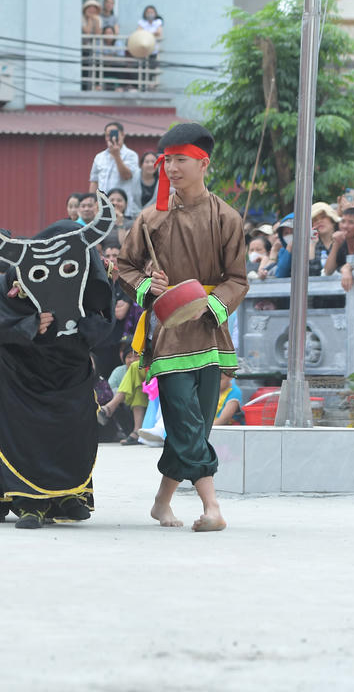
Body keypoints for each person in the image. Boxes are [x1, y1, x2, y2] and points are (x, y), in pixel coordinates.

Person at [0, 204, 116, 526]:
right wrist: (30, 325)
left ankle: (69, 498)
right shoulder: (15, 281)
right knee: (21, 434)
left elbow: (103, 321)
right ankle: (28, 503)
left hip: (71, 369)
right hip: (20, 371)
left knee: (74, 434)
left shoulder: (92, 274)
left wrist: (84, 328)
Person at [115, 123, 248, 532]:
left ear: (203, 163)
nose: (171, 168)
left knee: (197, 422)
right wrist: (146, 286)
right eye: (166, 160)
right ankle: (213, 507)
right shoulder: (151, 216)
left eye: (180, 160)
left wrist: (210, 303)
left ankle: (161, 502)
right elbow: (124, 265)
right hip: (168, 330)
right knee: (184, 418)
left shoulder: (226, 217)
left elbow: (238, 279)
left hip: (208, 329)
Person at [88, 122, 140, 218]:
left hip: (123, 210)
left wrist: (116, 155)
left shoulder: (131, 155)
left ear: (123, 135)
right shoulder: (99, 157)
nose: (110, 138)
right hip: (102, 209)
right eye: (107, 135)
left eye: (114, 134)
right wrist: (92, 201)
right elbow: (94, 181)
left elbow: (127, 176)